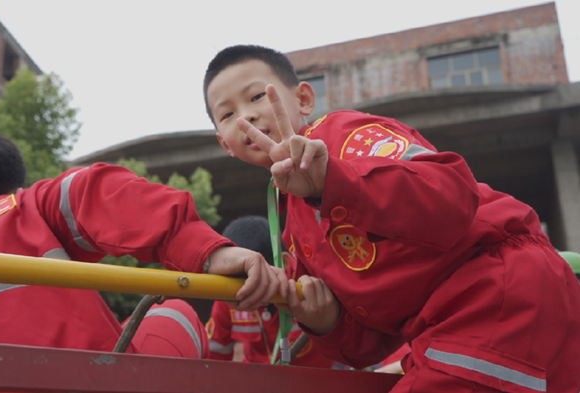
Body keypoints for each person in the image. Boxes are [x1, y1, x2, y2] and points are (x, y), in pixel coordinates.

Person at [203, 45, 580, 392]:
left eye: (255, 97)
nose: (246, 115)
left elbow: (451, 194)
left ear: (303, 98)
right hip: (446, 327)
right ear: (224, 144)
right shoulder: (293, 228)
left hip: (493, 290)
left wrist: (332, 181)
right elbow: (374, 340)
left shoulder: (344, 136)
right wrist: (325, 321)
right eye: (227, 114)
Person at [0, 132, 287, 365]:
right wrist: (208, 252)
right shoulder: (25, 208)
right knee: (176, 310)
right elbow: (99, 192)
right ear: (14, 189)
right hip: (83, 380)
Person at [206, 216, 334, 368]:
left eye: (251, 275)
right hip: (256, 382)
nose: (243, 288)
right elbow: (214, 355)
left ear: (284, 262)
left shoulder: (313, 284)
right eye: (235, 278)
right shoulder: (228, 294)